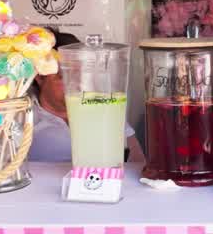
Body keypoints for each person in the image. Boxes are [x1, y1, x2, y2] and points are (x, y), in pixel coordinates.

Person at [31, 30, 145, 163]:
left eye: (82, 74)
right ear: (40, 76)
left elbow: (137, 162)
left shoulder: (105, 109)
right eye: (65, 76)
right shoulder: (23, 119)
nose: (78, 83)